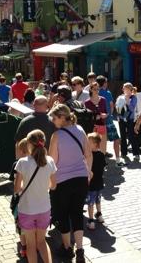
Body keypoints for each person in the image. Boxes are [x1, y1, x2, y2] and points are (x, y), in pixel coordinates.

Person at [48, 104, 93, 263]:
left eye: (54, 118)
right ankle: (80, 249)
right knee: (77, 213)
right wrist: (88, 173)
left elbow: (52, 162)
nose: (52, 121)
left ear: (62, 117)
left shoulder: (56, 136)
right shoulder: (80, 129)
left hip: (62, 181)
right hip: (80, 179)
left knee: (63, 215)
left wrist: (51, 183)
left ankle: (67, 247)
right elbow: (88, 154)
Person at [14, 130, 56, 263]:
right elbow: (53, 186)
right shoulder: (50, 161)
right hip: (44, 208)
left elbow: (16, 189)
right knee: (42, 242)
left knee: (31, 245)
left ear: (29, 144)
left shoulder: (22, 162)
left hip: (27, 209)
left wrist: (25, 187)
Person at [97, 75, 123, 165]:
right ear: (104, 83)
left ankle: (101, 162)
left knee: (100, 141)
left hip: (99, 121)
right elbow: (112, 106)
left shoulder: (95, 93)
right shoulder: (107, 93)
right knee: (116, 139)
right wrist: (110, 115)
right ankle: (118, 160)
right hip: (108, 120)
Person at [86, 132, 107, 230]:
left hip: (91, 184)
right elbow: (103, 167)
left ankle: (91, 221)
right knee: (98, 200)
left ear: (95, 144)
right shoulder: (101, 154)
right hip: (99, 182)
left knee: (90, 203)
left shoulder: (89, 155)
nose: (87, 144)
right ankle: (99, 215)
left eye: (89, 142)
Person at [117, 83, 139, 161]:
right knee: (122, 136)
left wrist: (127, 101)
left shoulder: (134, 97)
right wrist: (118, 117)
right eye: (123, 89)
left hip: (130, 119)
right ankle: (124, 152)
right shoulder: (120, 97)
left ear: (130, 89)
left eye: (125, 88)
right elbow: (118, 108)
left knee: (131, 136)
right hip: (121, 119)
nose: (124, 90)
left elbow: (132, 109)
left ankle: (136, 153)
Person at [85, 82, 108, 154]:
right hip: (92, 126)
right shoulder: (87, 102)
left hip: (102, 125)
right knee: (92, 147)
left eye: (98, 89)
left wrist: (105, 115)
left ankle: (102, 159)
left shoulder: (103, 100)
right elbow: (86, 116)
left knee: (103, 147)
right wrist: (94, 117)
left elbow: (106, 112)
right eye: (95, 89)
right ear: (91, 90)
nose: (97, 91)